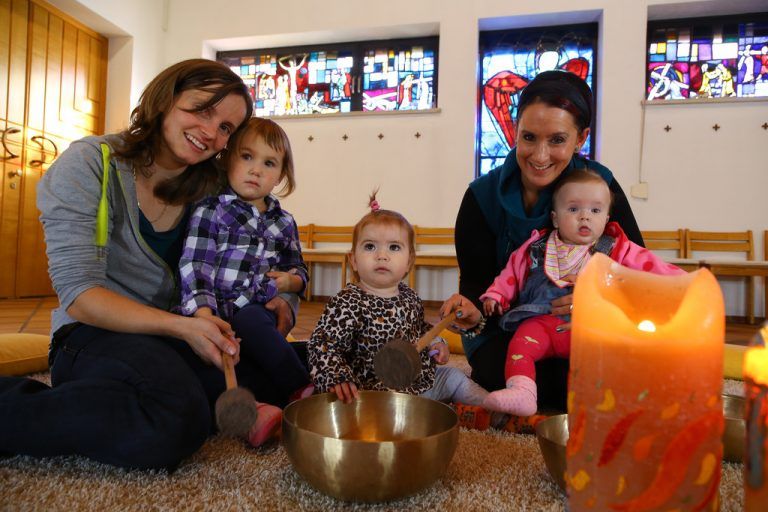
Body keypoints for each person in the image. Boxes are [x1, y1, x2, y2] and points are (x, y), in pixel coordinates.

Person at [0, 59, 299, 470]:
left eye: (226, 128)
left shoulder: (214, 185)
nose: (211, 132)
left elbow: (266, 252)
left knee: (285, 371)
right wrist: (182, 327)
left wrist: (283, 301)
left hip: (178, 337)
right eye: (202, 109)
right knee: (175, 418)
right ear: (165, 98)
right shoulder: (90, 163)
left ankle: (139, 393)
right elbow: (80, 296)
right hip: (94, 334)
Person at [442, 70, 644, 412]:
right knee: (504, 372)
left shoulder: (600, 187)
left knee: (613, 370)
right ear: (515, 130)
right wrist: (472, 313)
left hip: (584, 328)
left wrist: (599, 299)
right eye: (529, 137)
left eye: (557, 140)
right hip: (506, 331)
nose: (539, 155)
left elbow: (636, 272)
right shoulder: (481, 197)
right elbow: (478, 286)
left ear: (581, 139)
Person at [480, 169, 684, 416]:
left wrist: (686, 283)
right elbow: (512, 273)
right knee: (521, 344)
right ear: (555, 218)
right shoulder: (537, 247)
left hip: (592, 328)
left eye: (595, 210)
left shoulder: (618, 249)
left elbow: (654, 271)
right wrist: (497, 295)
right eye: (574, 209)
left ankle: (594, 401)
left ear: (606, 218)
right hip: (542, 323)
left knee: (608, 357)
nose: (585, 216)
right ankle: (522, 391)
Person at [178, 117, 313, 446]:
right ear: (227, 160)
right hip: (214, 313)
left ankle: (302, 389)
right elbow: (196, 265)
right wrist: (205, 316)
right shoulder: (211, 210)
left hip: (257, 310)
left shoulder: (284, 221)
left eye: (269, 163)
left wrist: (291, 283)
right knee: (193, 361)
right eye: (247, 156)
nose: (256, 170)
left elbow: (297, 268)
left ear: (281, 175)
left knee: (253, 322)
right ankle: (256, 410)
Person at [308, 193, 498, 422]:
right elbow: (323, 344)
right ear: (354, 260)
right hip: (372, 393)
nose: (382, 256)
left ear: (409, 261)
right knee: (375, 417)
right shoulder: (347, 301)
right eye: (370, 246)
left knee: (454, 377)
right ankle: (450, 413)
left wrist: (437, 342)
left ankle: (496, 409)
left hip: (419, 383)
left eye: (394, 247)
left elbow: (420, 330)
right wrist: (336, 376)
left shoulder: (410, 297)